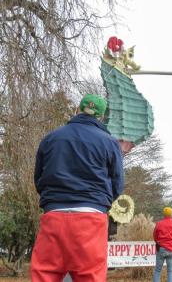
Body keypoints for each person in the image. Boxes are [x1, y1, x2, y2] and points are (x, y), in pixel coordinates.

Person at [31, 94, 124, 282]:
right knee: (90, 276)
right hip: (91, 217)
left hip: (54, 216)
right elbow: (117, 184)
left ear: (78, 109)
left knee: (45, 274)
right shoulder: (110, 142)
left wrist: (54, 198)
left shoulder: (51, 138)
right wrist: (101, 202)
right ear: (100, 117)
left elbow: (39, 178)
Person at [153, 207, 172, 282]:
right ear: (171, 214)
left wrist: (158, 242)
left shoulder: (159, 224)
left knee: (157, 270)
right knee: (170, 271)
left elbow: (155, 236)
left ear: (164, 214)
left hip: (161, 249)